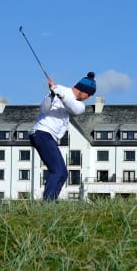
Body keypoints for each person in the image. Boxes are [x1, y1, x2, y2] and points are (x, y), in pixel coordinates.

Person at [30, 71, 96, 201]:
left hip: (48, 137)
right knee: (57, 171)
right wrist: (52, 95)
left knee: (63, 173)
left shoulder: (77, 104)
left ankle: (50, 202)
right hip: (41, 133)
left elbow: (76, 110)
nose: (88, 98)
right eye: (89, 95)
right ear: (83, 91)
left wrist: (62, 96)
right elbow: (44, 108)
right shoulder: (58, 89)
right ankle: (47, 204)